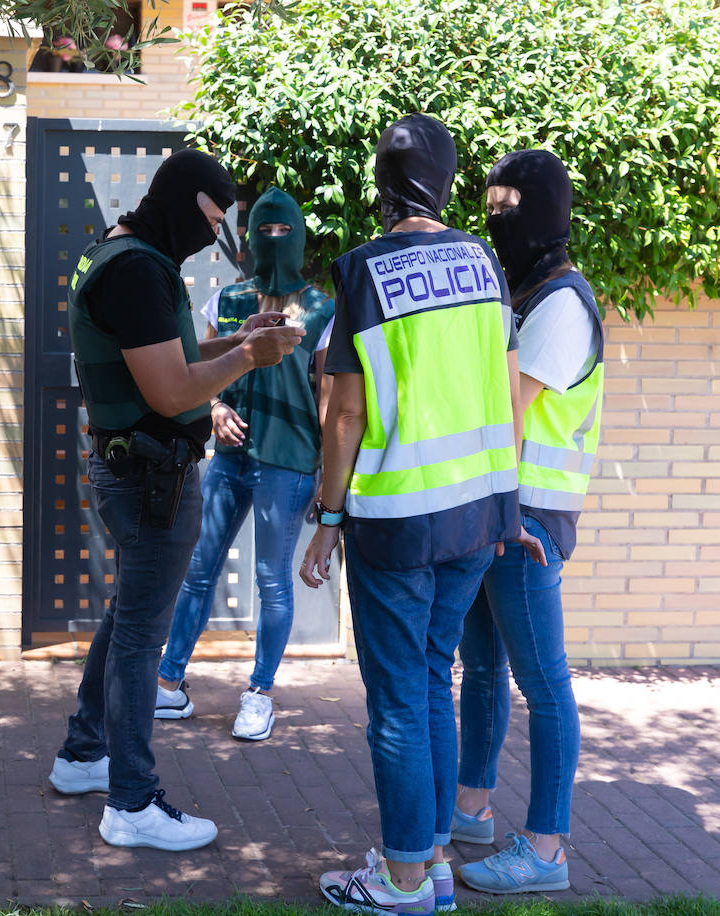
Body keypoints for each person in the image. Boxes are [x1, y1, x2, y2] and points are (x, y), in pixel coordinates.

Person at [298, 114, 544, 914]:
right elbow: (510, 394)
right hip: (476, 516)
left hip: (399, 523)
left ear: (383, 183)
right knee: (433, 680)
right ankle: (431, 859)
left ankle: (403, 877)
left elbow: (343, 414)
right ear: (444, 181)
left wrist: (329, 517)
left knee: (401, 695)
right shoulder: (482, 260)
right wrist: (509, 503)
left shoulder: (365, 269)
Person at [46, 149, 306, 851]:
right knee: (139, 638)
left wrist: (237, 338)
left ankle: (81, 755)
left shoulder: (118, 251)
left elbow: (171, 354)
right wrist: (249, 359)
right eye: (212, 220)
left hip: (132, 469)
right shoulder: (137, 271)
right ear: (184, 202)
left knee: (127, 616)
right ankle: (130, 802)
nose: (214, 236)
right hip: (148, 477)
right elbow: (170, 390)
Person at [452, 149, 602, 895]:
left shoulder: (561, 304)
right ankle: (471, 808)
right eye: (490, 204)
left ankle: (546, 850)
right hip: (499, 512)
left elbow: (510, 415)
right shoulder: (525, 293)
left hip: (527, 521)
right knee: (481, 669)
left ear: (544, 210)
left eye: (509, 205)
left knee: (545, 685)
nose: (495, 218)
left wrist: (504, 514)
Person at [154, 187, 335, 740]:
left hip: (290, 461)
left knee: (272, 581)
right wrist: (212, 409)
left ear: (300, 235)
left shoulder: (323, 308)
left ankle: (259, 692)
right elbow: (196, 369)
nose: (273, 240)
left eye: (284, 230)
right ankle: (167, 684)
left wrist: (330, 473)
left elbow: (327, 395)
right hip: (231, 458)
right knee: (198, 568)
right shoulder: (226, 301)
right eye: (263, 229)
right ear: (249, 236)